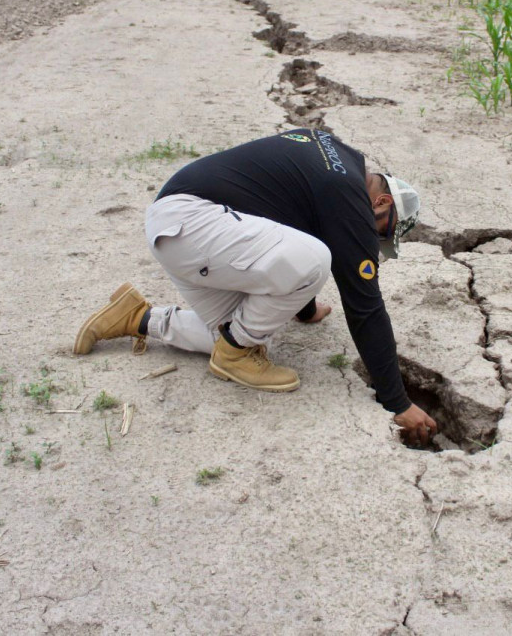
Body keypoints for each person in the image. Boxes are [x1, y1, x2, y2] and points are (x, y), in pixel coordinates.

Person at [73, 127, 439, 446]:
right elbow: (365, 307)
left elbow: (291, 214)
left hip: (181, 226)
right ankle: (234, 354)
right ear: (382, 202)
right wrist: (398, 403)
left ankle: (140, 317)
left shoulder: (339, 156)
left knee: (248, 330)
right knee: (314, 262)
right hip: (196, 224)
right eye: (382, 232)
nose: (372, 239)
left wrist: (307, 310)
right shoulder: (348, 196)